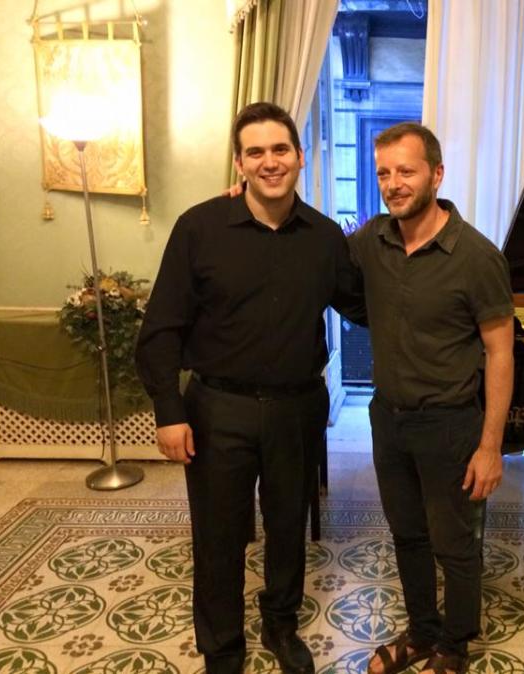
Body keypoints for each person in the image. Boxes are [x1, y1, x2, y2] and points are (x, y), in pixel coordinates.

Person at [136, 102, 365, 674]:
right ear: (239, 163)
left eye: (280, 149)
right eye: (256, 152)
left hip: (297, 408)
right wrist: (168, 410)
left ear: (300, 156)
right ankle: (223, 649)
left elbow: (363, 304)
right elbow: (161, 328)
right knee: (218, 538)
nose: (270, 162)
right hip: (218, 409)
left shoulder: (324, 236)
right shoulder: (199, 228)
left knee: (288, 528)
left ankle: (280, 625)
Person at [349, 123, 515, 674]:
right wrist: (249, 197)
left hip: (450, 424)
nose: (393, 183)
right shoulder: (371, 241)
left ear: (437, 175)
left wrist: (490, 447)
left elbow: (500, 353)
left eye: (406, 170)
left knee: (455, 543)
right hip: (387, 419)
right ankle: (422, 632)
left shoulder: (477, 256)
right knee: (408, 534)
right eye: (384, 173)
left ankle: (455, 645)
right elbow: (313, 252)